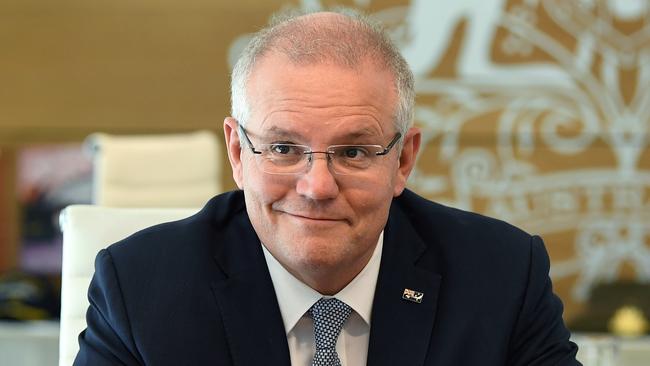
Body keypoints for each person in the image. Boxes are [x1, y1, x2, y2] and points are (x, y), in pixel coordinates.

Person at [74, 9, 581, 366]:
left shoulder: (502, 276)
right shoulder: (140, 288)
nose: (316, 186)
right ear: (237, 153)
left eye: (354, 152)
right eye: (282, 149)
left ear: (403, 159)